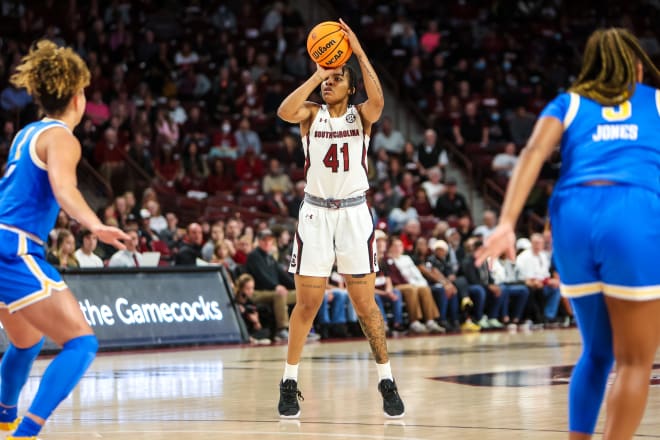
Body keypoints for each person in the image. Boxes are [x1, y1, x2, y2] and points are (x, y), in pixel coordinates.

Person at [475, 28, 660, 440]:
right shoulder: (655, 100)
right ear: (636, 66)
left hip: (572, 216)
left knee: (596, 353)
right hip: (631, 210)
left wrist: (507, 222)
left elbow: (532, 153)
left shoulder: (569, 102)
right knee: (634, 361)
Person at [0, 40, 129, 440]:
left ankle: (5, 419)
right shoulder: (61, 137)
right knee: (81, 344)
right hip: (13, 249)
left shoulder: (28, 132)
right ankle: (24, 436)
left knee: (26, 340)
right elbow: (63, 188)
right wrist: (95, 225)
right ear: (77, 97)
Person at [276, 19, 404, 419]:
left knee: (366, 305)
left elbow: (379, 102)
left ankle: (386, 379)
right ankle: (288, 381)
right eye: (327, 79)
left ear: (351, 87)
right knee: (307, 304)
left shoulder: (361, 116)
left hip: (353, 214)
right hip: (315, 212)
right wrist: (319, 71)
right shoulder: (310, 115)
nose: (329, 84)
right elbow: (283, 110)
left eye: (336, 79)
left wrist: (359, 53)